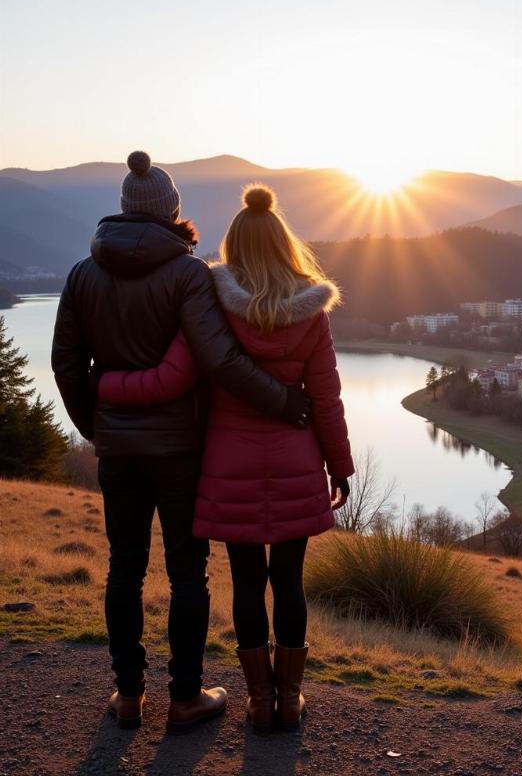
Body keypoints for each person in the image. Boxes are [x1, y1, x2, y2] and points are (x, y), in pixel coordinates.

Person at [51, 152, 312, 733]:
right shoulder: (189, 273)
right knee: (186, 574)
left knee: (124, 568)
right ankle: (186, 698)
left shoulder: (81, 274)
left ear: (122, 209)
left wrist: (96, 427)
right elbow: (219, 359)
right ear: (172, 210)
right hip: (178, 450)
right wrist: (286, 403)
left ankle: (127, 695)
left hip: (118, 449)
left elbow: (65, 362)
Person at [97, 183, 354, 734]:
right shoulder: (313, 311)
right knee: (289, 580)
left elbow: (178, 373)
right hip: (296, 462)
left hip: (227, 465)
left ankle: (259, 701)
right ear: (286, 245)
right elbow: (326, 399)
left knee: (244, 581)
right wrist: (342, 467)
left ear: (234, 244)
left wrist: (109, 387)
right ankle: (289, 698)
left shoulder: (213, 300)